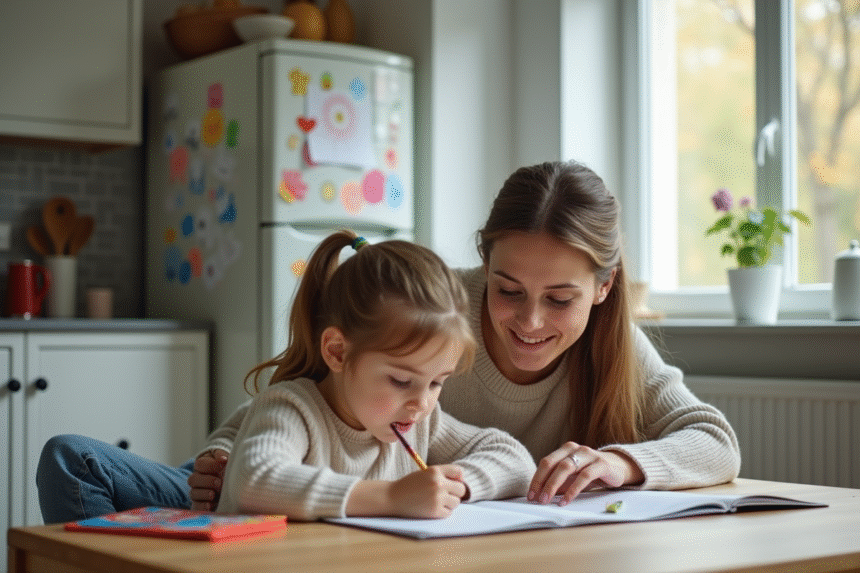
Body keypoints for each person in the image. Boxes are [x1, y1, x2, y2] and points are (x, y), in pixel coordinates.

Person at [37, 160, 740, 522]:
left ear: (604, 286)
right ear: (482, 261)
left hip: (417, 519)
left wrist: (621, 463)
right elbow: (295, 390)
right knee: (82, 467)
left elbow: (715, 440)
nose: (527, 320)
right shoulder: (435, 308)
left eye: (559, 298)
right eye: (506, 288)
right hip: (288, 478)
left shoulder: (613, 347)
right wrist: (223, 452)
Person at [215, 230, 535, 519]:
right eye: (400, 381)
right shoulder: (292, 409)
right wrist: (393, 497)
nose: (421, 403)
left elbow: (515, 460)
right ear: (337, 351)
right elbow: (254, 479)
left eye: (437, 382)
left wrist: (450, 487)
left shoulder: (420, 423)